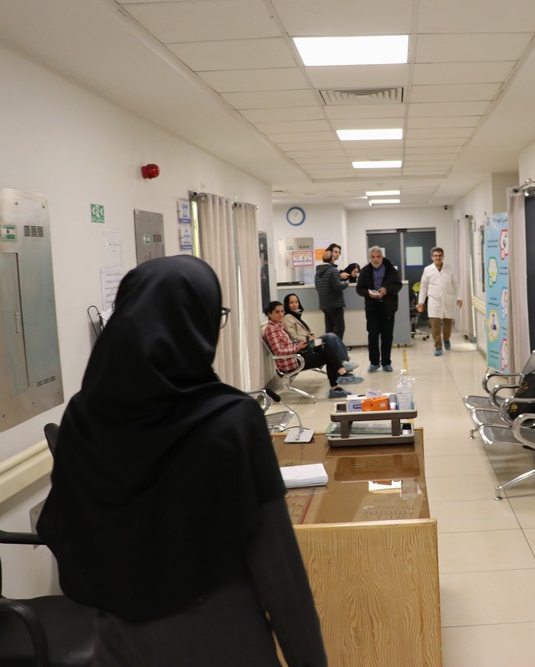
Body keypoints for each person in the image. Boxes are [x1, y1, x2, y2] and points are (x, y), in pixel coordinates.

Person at [37, 255, 327, 667]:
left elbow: (59, 526)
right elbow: (279, 570)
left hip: (118, 640)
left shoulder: (84, 417)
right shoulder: (230, 421)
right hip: (222, 636)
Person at [263, 300, 362, 399]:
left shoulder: (278, 326)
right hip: (292, 362)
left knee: (326, 347)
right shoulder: (272, 329)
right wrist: (298, 347)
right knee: (328, 353)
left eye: (282, 311)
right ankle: (340, 379)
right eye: (277, 312)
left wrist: (300, 344)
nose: (281, 314)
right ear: (270, 314)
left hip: (296, 355)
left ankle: (341, 377)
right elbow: (278, 352)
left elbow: (286, 344)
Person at [281, 292, 358, 371]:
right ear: (287, 305)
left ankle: (344, 362)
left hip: (310, 342)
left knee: (332, 339)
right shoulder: (287, 318)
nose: (294, 305)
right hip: (305, 345)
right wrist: (308, 338)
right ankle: (343, 362)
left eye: (296, 302)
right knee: (330, 337)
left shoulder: (295, 316)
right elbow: (293, 337)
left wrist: (310, 335)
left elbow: (304, 331)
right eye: (291, 303)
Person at [356, 246, 402, 372]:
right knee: (373, 335)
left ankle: (386, 363)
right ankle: (374, 363)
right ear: (369, 258)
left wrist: (386, 289)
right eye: (373, 257)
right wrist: (368, 293)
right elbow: (359, 289)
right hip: (372, 308)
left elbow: (398, 285)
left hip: (388, 308)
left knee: (387, 336)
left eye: (378, 257)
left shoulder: (391, 269)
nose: (376, 259)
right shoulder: (365, 271)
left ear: (382, 257)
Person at [417, 246, 462, 356]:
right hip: (434, 300)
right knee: (435, 324)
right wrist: (421, 302)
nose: (438, 257)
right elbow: (423, 287)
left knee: (447, 323)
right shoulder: (427, 270)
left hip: (447, 298)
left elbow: (456, 283)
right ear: (432, 257)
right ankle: (438, 346)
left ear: (443, 256)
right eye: (435, 256)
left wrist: (459, 297)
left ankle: (446, 339)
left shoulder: (450, 269)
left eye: (440, 255)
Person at [314, 243, 356, 341]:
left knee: (329, 330)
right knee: (339, 329)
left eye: (339, 252)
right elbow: (338, 286)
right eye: (335, 252)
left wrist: (338, 276)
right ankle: (336, 349)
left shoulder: (318, 271)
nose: (338, 254)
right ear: (332, 258)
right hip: (335, 304)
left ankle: (329, 349)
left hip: (324, 305)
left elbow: (318, 287)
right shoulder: (333, 270)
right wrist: (346, 282)